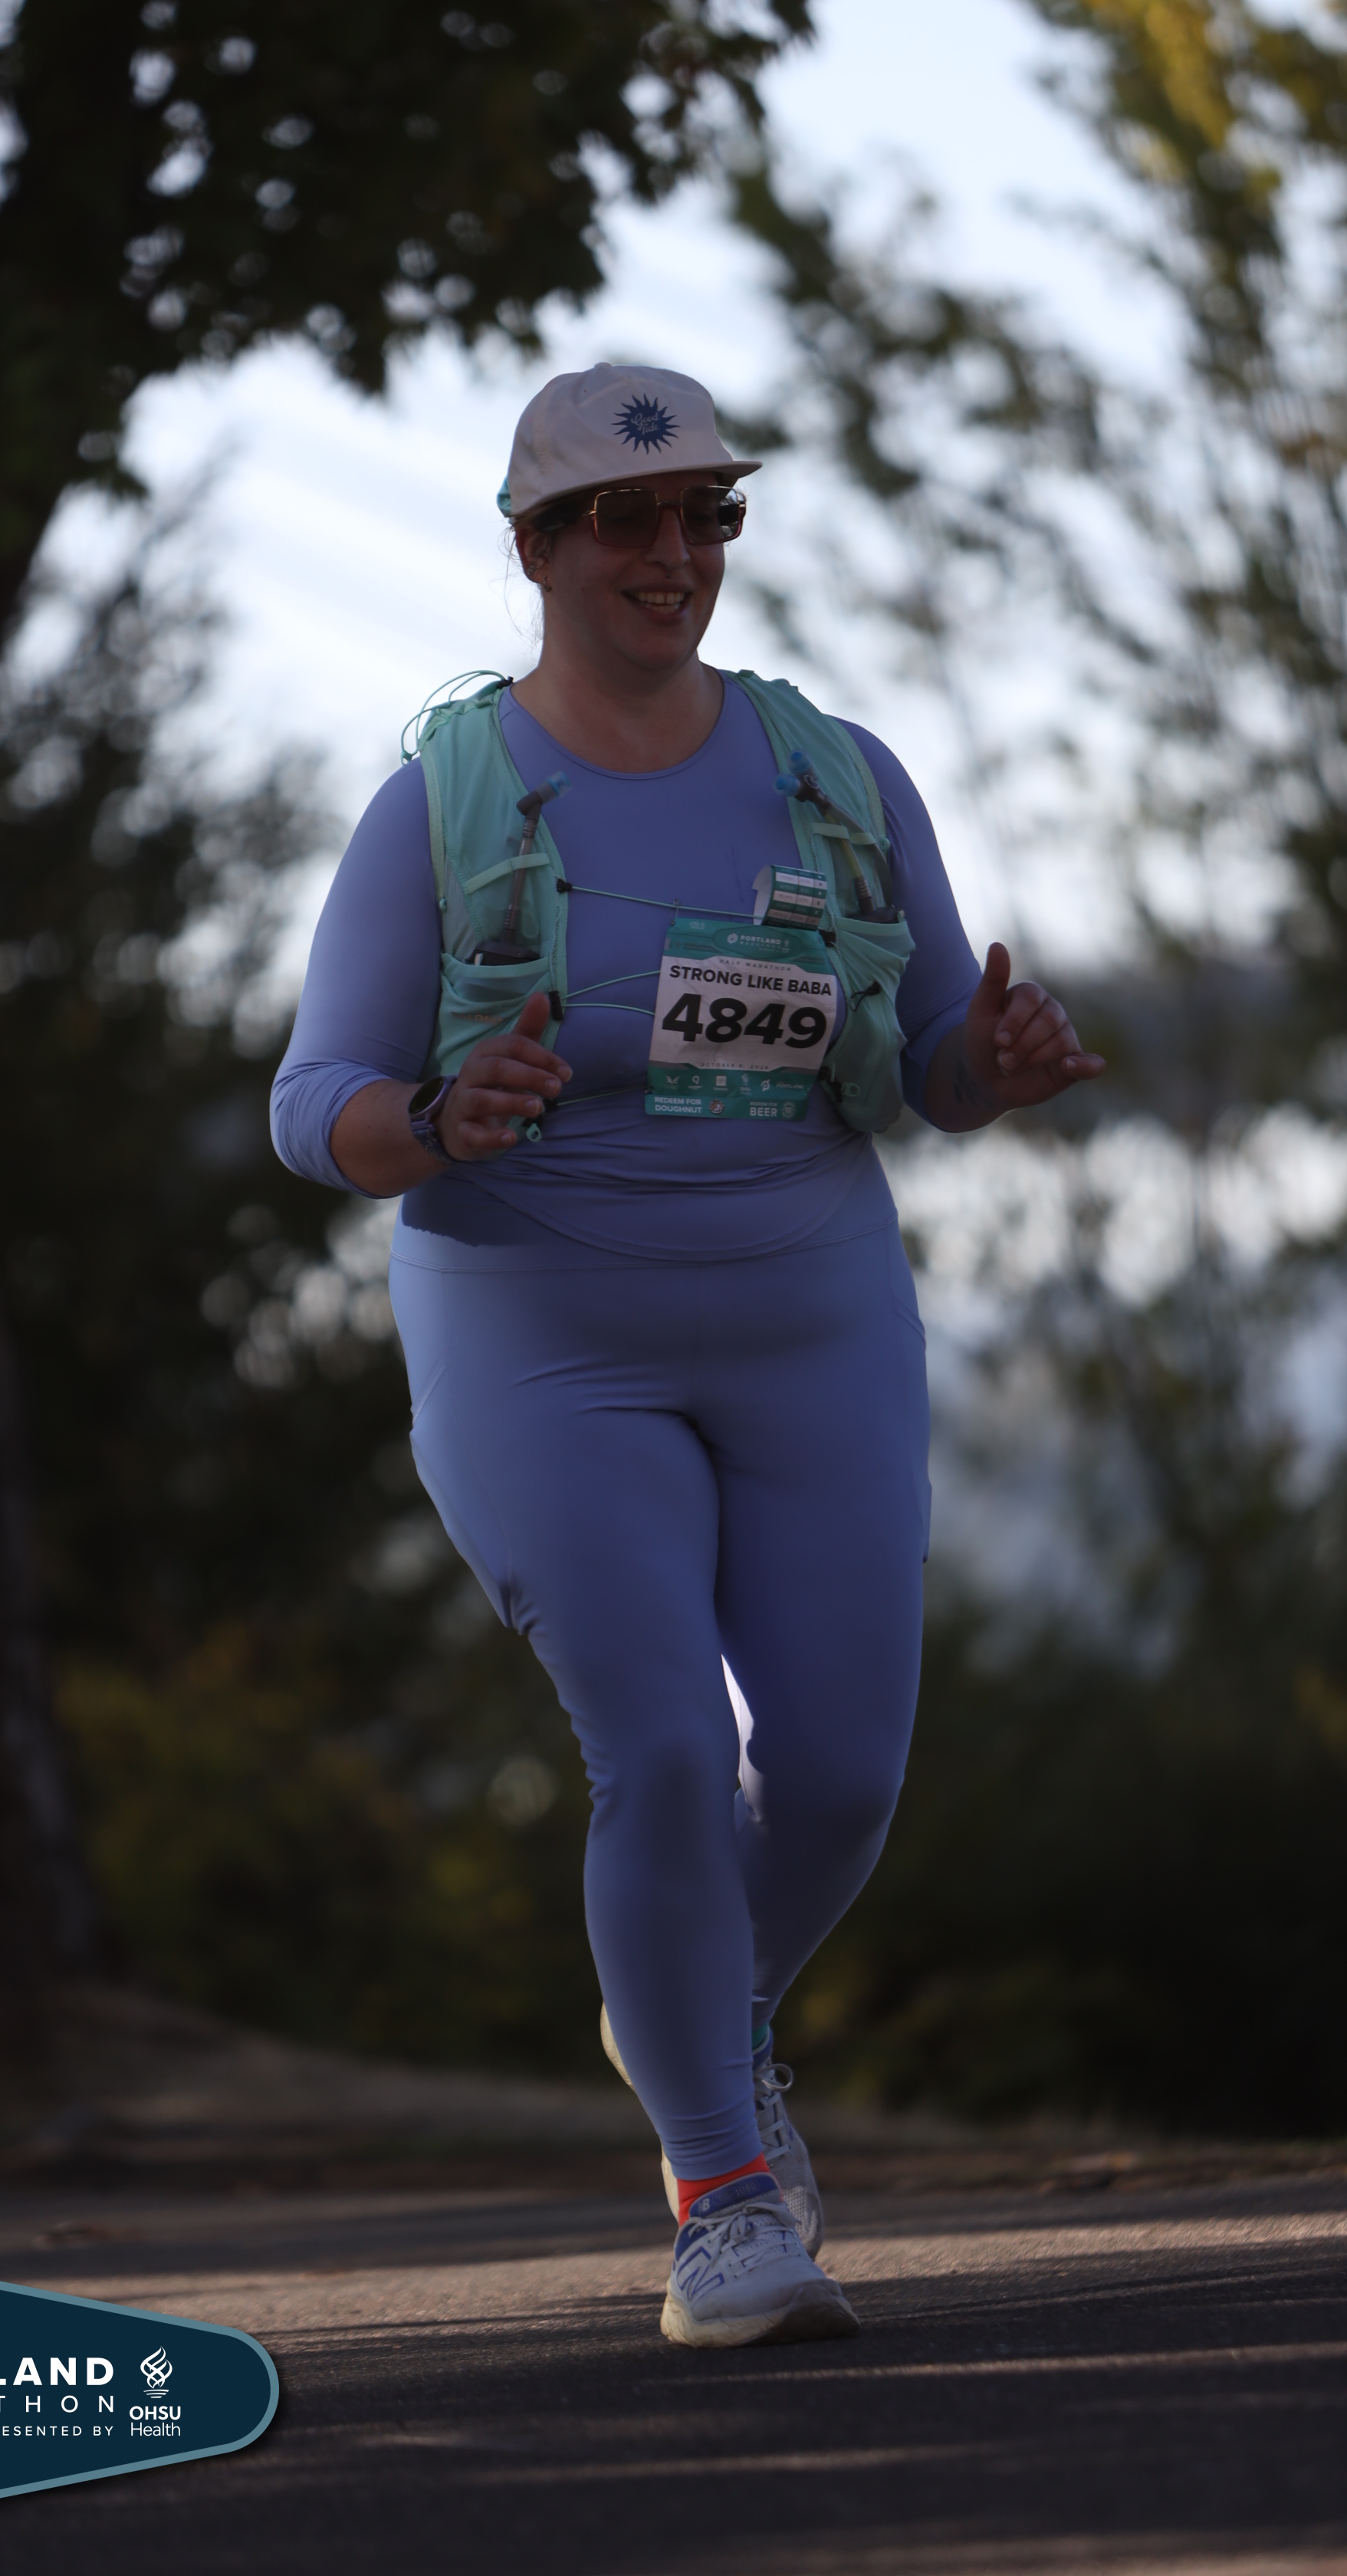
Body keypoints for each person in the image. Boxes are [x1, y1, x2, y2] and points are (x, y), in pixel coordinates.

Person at [271, 363, 1103, 2349]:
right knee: (655, 1747)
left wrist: (989, 1068)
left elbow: (924, 1060)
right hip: (540, 1336)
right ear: (537, 548)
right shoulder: (447, 803)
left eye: (709, 514)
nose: (677, 553)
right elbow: (315, 1106)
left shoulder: (838, 776)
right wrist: (442, 1116)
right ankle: (725, 2195)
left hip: (812, 1321)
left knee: (838, 1771)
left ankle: (687, 2008)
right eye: (629, 519)